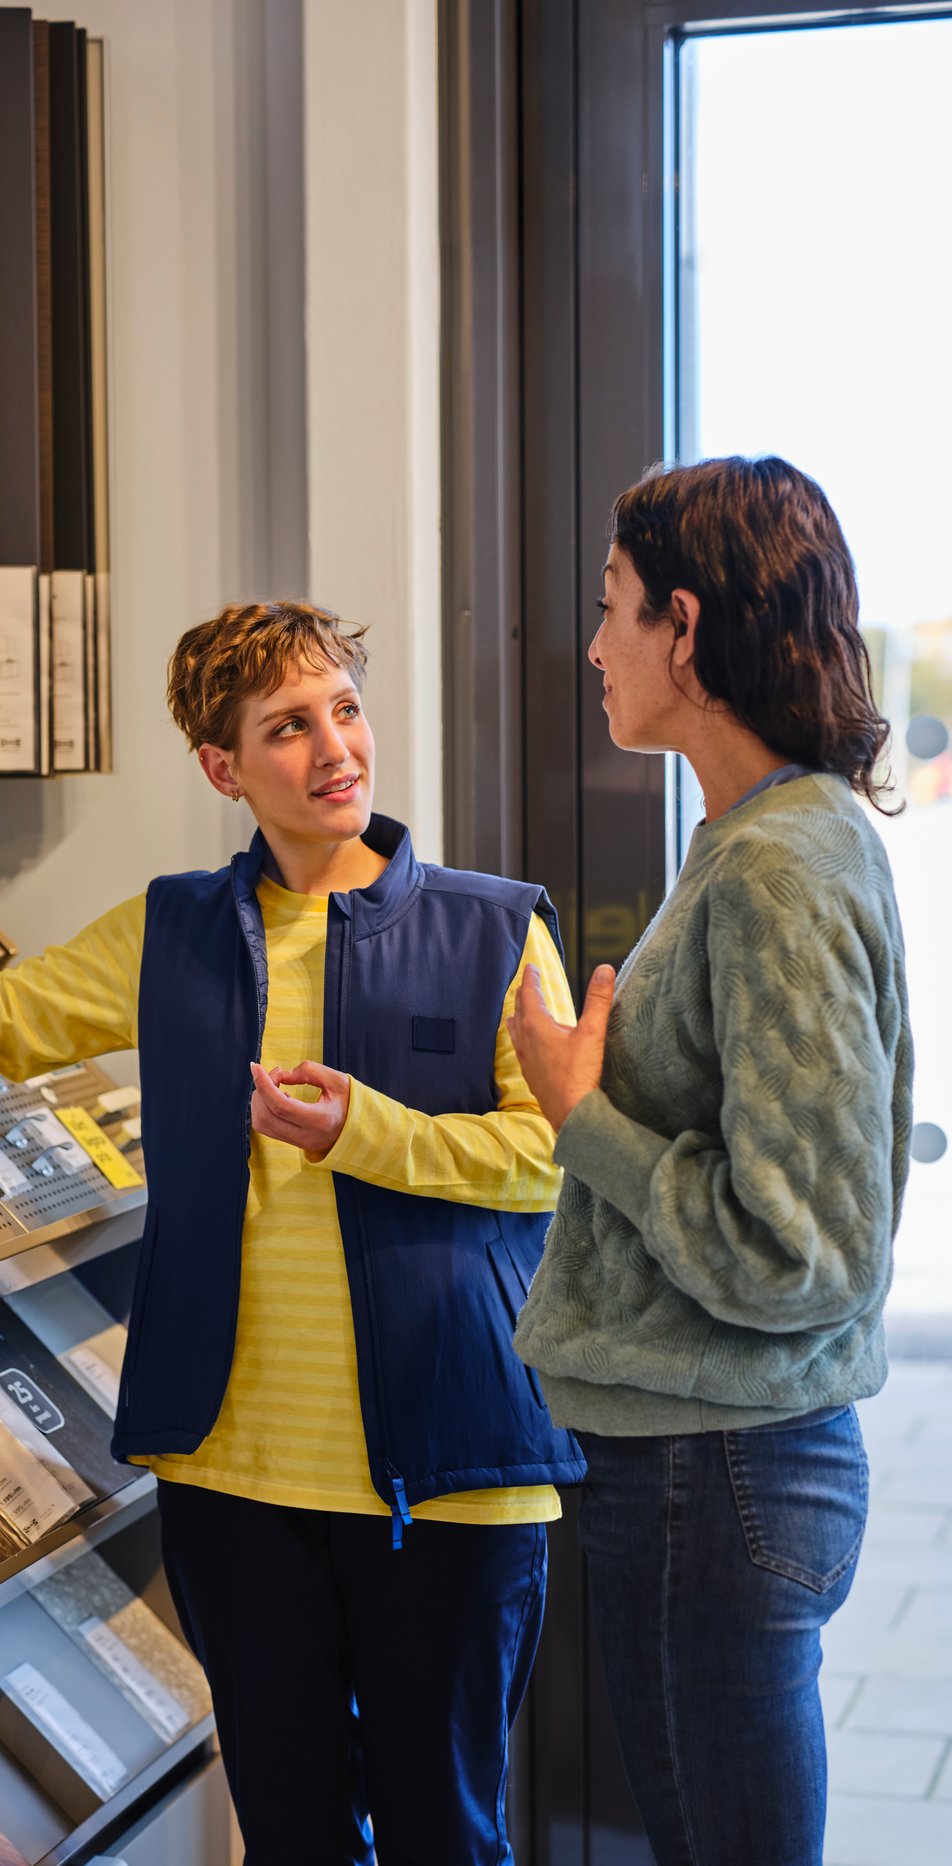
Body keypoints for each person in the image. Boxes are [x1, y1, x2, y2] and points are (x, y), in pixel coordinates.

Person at [0, 599, 583, 1865]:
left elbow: (556, 1161)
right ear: (223, 768)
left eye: (342, 709)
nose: (333, 747)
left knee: (445, 1839)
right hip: (234, 1487)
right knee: (289, 1839)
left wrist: (369, 1133)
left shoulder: (493, 928)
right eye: (288, 727)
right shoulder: (168, 930)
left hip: (452, 1480)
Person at [508, 457, 912, 1866]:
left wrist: (580, 1111)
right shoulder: (766, 836)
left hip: (716, 1469)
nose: (598, 644)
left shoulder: (774, 865)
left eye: (615, 608)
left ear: (687, 626)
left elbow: (802, 1248)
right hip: (722, 1465)